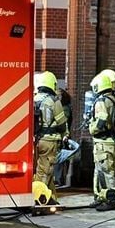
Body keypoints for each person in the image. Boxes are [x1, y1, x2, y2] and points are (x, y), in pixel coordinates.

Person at [88, 68, 115, 211]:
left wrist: (93, 128)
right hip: (109, 141)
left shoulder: (101, 101)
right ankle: (101, 197)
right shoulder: (113, 98)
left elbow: (102, 118)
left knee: (106, 172)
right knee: (100, 171)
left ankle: (109, 200)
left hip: (103, 141)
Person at [33, 72, 68, 201]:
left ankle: (52, 198)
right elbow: (62, 122)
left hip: (36, 140)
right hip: (49, 141)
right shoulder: (54, 101)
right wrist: (66, 135)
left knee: (44, 169)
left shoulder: (35, 99)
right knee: (45, 172)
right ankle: (39, 198)